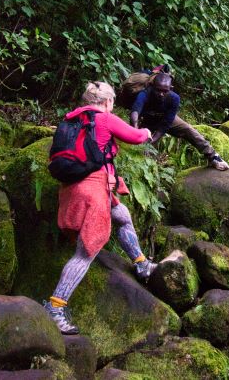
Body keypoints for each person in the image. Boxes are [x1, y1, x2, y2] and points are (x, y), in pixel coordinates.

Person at [44, 81, 157, 335]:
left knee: (122, 216)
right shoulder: (105, 119)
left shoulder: (71, 120)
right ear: (107, 102)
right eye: (113, 103)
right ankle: (55, 307)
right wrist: (148, 132)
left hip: (73, 187)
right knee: (86, 252)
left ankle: (141, 263)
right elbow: (136, 137)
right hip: (93, 191)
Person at [129, 72, 229, 171]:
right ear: (153, 87)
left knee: (188, 129)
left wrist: (153, 139)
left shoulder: (174, 98)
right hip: (147, 120)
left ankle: (213, 157)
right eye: (158, 90)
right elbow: (135, 111)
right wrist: (135, 128)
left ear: (170, 89)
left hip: (165, 119)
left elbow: (166, 123)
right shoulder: (145, 93)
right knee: (143, 147)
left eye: (165, 91)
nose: (161, 94)